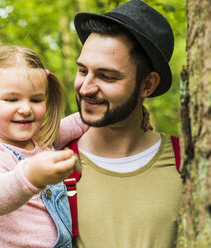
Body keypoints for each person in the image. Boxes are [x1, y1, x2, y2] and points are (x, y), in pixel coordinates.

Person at [0, 45, 88, 247]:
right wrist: (30, 176)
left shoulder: (44, 139)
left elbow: (84, 121)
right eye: (12, 99)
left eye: (36, 99)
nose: (26, 109)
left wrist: (132, 116)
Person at [68, 0, 183, 247]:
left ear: (147, 85)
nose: (86, 88)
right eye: (82, 71)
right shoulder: (54, 164)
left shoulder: (187, 163)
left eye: (107, 76)